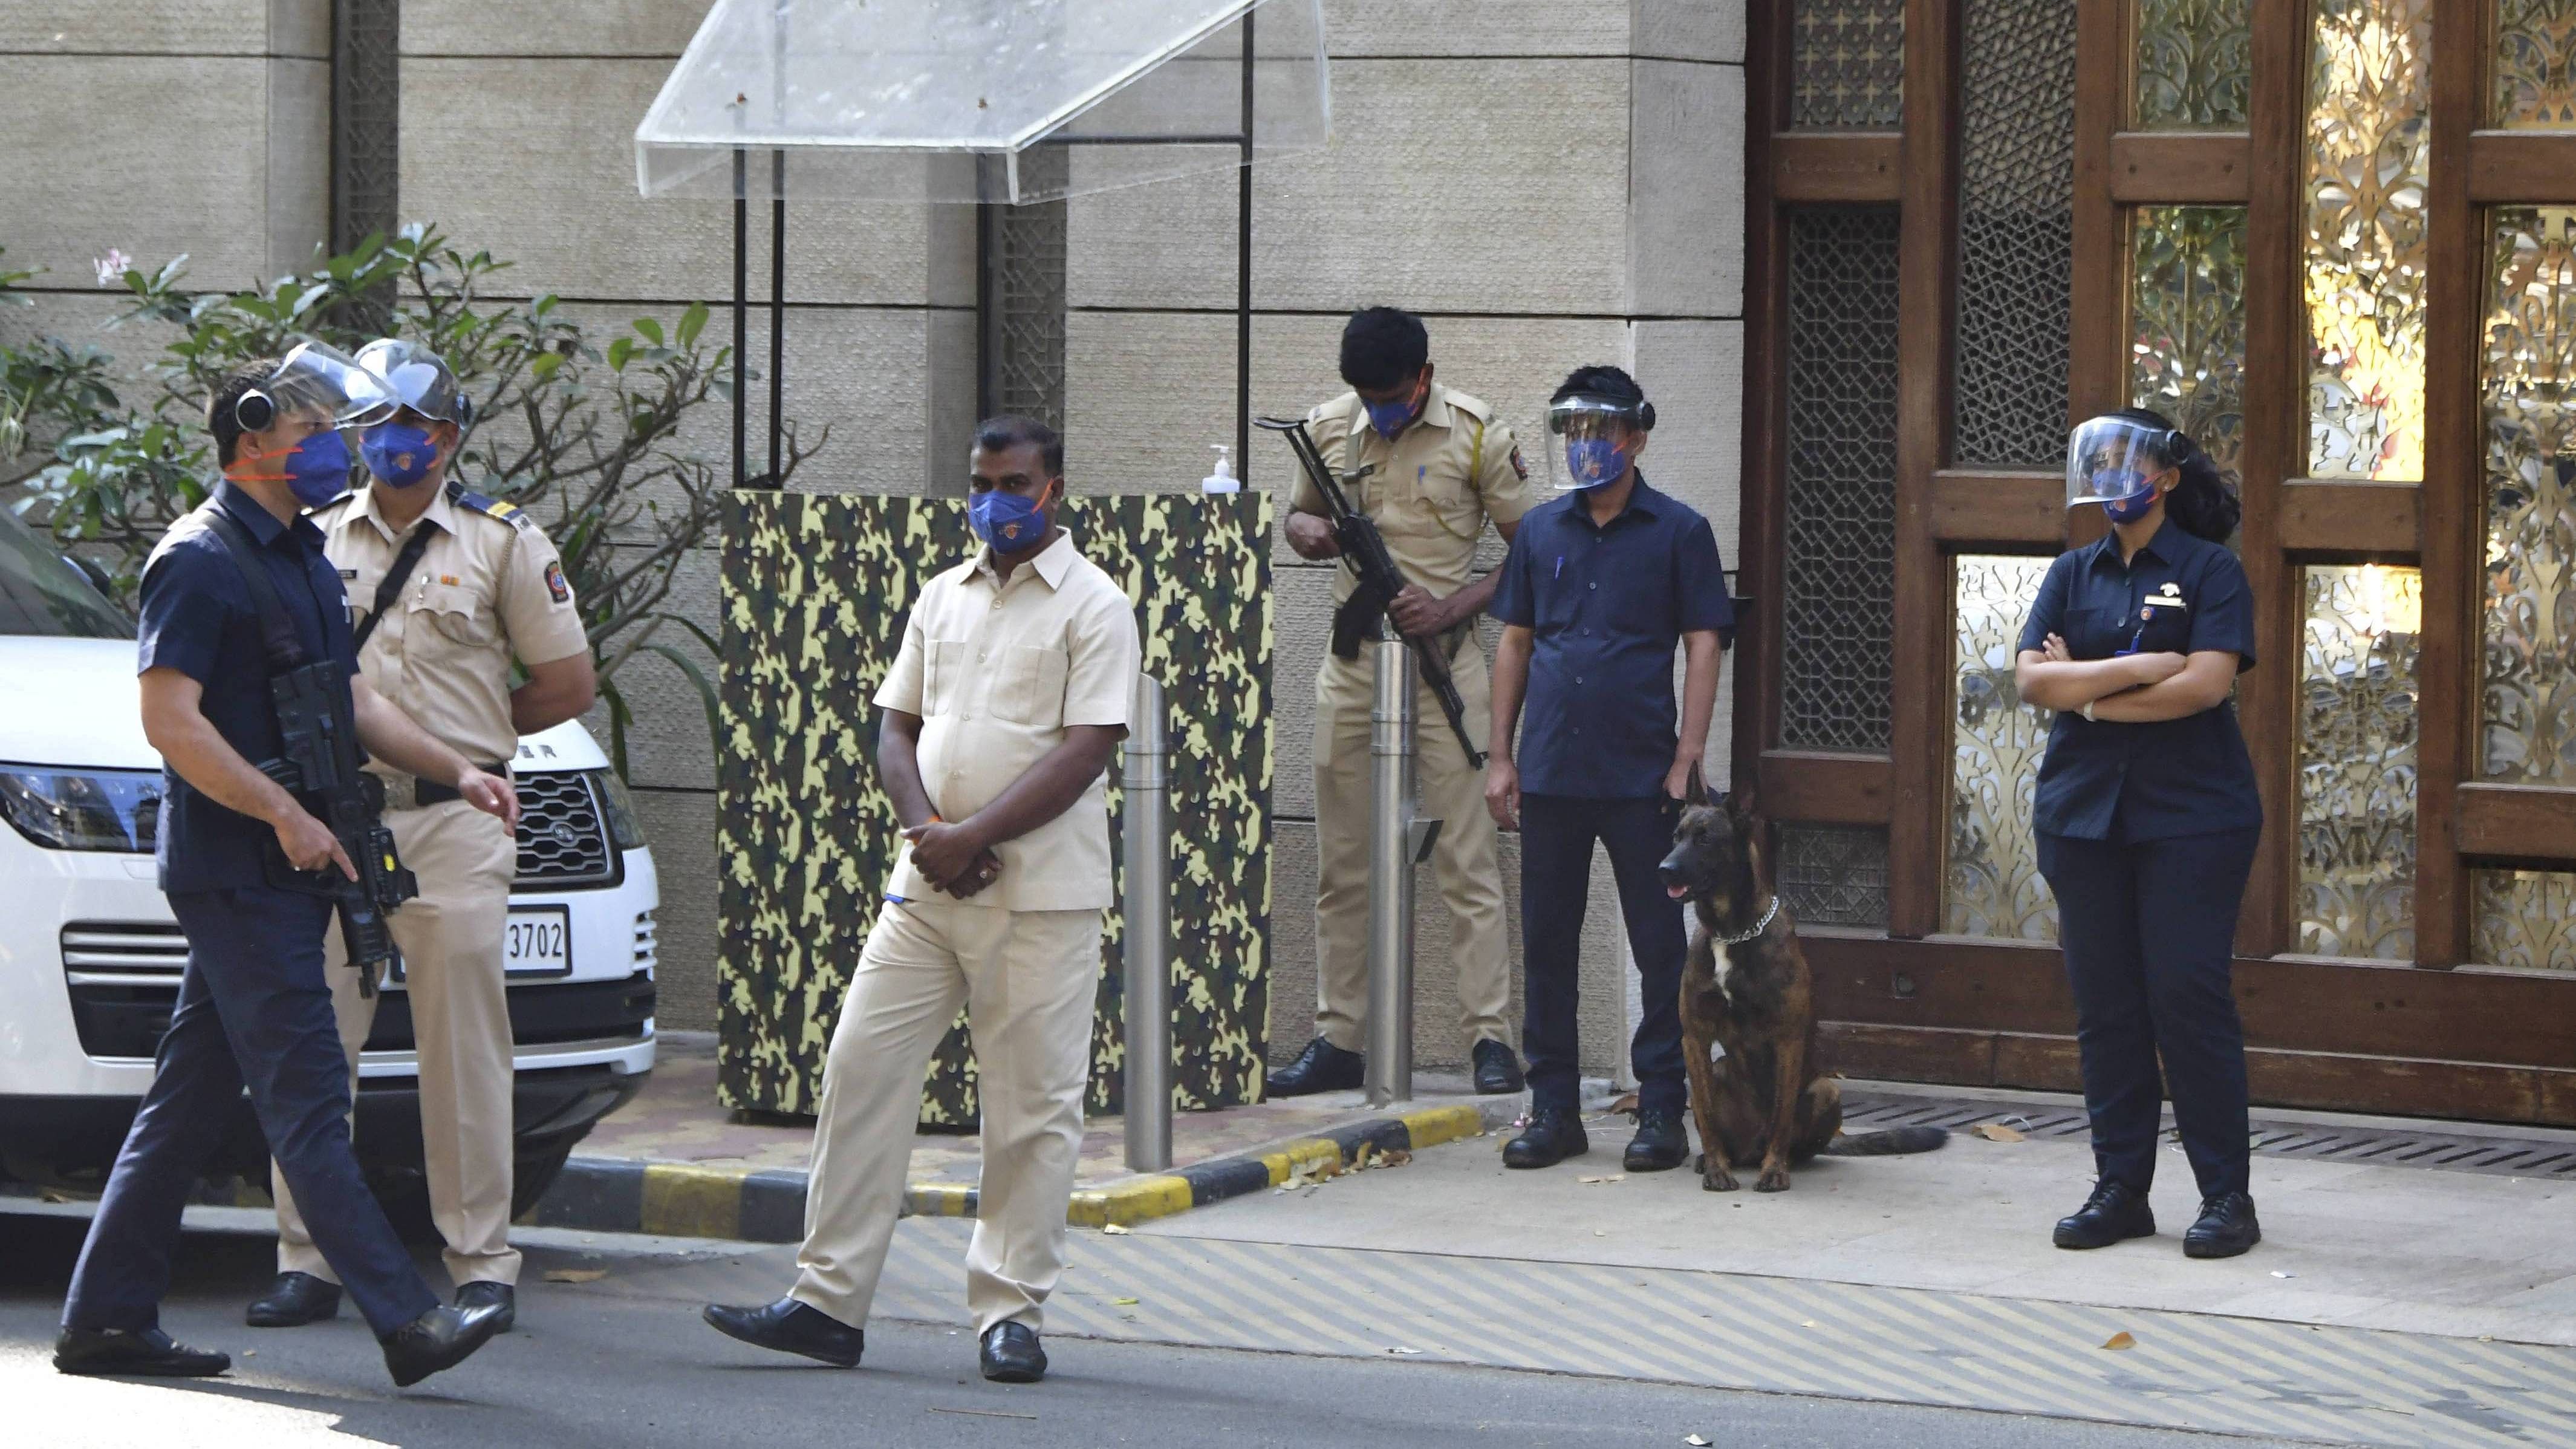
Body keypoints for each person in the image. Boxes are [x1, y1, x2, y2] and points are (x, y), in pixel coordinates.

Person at [56, 345, 519, 1387]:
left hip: (285, 863)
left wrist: (460, 769)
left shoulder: (300, 555)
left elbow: (349, 698)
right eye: (311, 438)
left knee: (185, 1104)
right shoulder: (198, 558)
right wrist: (282, 815)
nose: (330, 455)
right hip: (239, 866)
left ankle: (103, 1321)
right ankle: (407, 1321)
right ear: (252, 436)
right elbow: (169, 723)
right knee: (309, 1095)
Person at [704, 415, 1140, 1384]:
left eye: (1015, 483)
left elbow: (1088, 748)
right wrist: (929, 840)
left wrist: (974, 837)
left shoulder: (1096, 604)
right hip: (927, 889)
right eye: (982, 482)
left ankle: (1008, 1314)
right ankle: (828, 1301)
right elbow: (894, 728)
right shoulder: (942, 593)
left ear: (1054, 490)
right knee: (861, 1071)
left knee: (1031, 1112)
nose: (996, 501)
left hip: (1037, 897)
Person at [248, 339, 596, 1335]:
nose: (399, 444)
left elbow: (566, 685)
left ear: (450, 435)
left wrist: (467, 747)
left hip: (453, 822)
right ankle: (306, 1258)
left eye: (419, 428)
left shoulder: (502, 541)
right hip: (335, 821)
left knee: (464, 1051)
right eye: (381, 427)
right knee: (317, 1045)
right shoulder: (312, 531)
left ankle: (482, 1261)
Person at [2012, 408, 2262, 1260]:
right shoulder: (2072, 572)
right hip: (2083, 815)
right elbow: (2029, 681)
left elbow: (2204, 686)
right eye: (2103, 463)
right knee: (2108, 1008)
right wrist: (2123, 675)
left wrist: (2079, 686)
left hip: (2194, 817)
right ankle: (2121, 1188)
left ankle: (2226, 1195)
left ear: (2165, 478)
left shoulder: (2210, 571)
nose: (2114, 478)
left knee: (2187, 999)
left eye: (2130, 464)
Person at [1272, 307, 1537, 1098]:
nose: (1377, 410)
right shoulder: (1327, 428)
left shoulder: (1479, 434)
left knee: (1467, 856)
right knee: (1344, 860)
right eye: (1365, 394)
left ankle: (1490, 1039)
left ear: (1423, 378)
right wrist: (1304, 533)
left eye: (1389, 395)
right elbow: (1299, 516)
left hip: (1445, 665)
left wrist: (1454, 608)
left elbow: (1536, 558)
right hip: (1355, 669)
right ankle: (1340, 1038)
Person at [1484, 366, 1732, 1171]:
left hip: (1642, 776)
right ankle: (1553, 1107)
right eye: (1575, 432)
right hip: (1551, 769)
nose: (1587, 447)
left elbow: (1703, 639)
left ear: (1637, 437)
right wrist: (1500, 757)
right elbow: (1515, 641)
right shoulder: (1541, 532)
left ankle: (1663, 1106)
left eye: (1602, 432)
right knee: (1548, 943)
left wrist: (1688, 755)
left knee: (1660, 946)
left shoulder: (1680, 531)